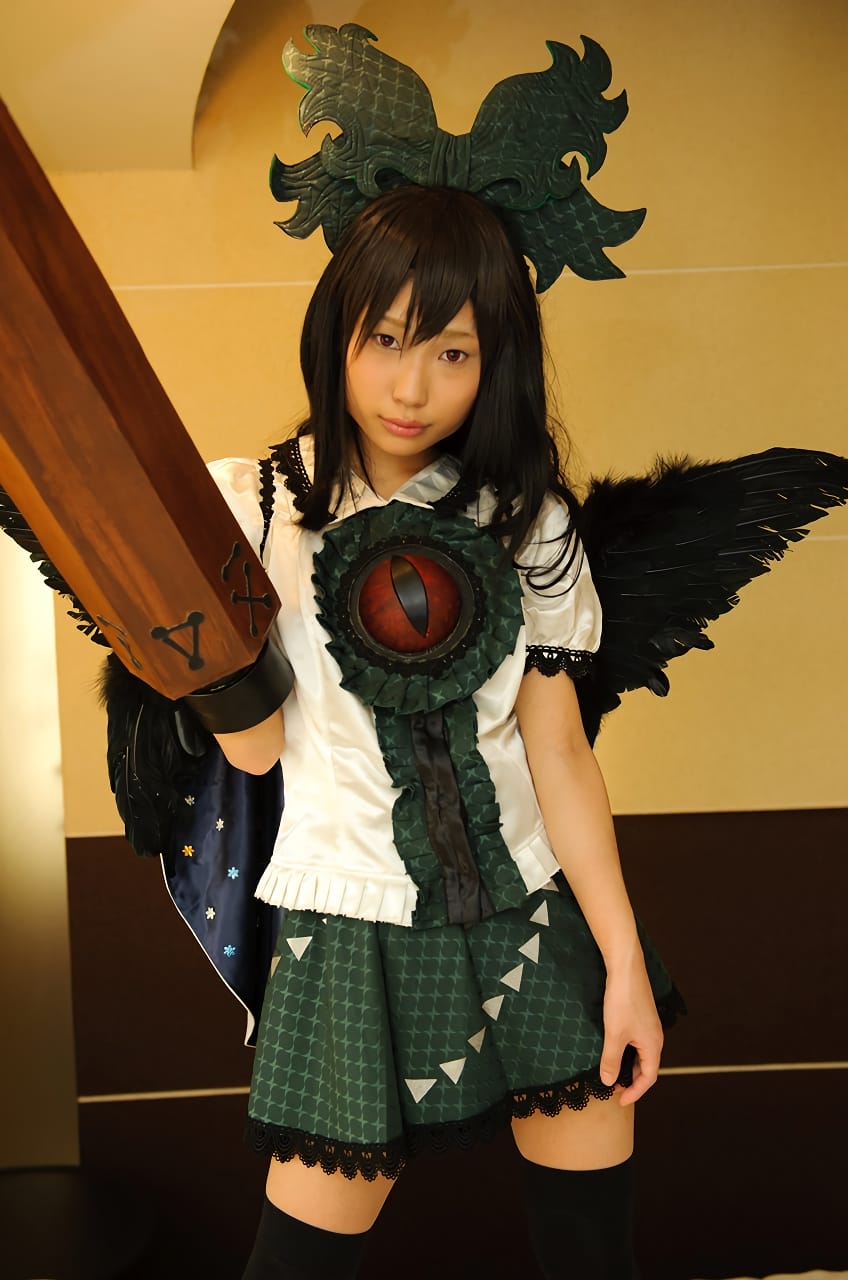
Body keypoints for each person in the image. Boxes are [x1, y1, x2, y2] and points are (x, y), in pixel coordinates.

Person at [207, 183, 682, 1280]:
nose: (411, 387)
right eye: (384, 340)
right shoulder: (255, 508)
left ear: (493, 363)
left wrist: (622, 962)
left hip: (532, 911)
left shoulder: (529, 520)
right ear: (336, 333)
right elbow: (257, 751)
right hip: (347, 926)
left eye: (452, 353)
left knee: (590, 1253)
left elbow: (558, 755)